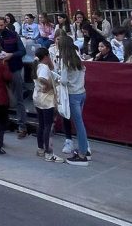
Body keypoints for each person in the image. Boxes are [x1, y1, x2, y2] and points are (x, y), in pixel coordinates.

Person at [0, 17, 27, 139]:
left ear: (5, 24)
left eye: (1, 25)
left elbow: (22, 51)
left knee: (19, 98)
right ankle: (5, 124)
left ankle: (22, 126)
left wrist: (11, 55)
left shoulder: (13, 34)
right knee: (2, 99)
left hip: (14, 68)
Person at [55, 36, 89, 166]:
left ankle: (82, 154)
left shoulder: (65, 60)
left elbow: (63, 80)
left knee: (79, 124)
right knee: (80, 123)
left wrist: (58, 79)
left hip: (72, 93)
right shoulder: (77, 57)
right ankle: (84, 149)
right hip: (81, 91)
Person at [32, 47, 63, 163]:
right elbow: (42, 78)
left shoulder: (37, 65)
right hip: (46, 100)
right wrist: (49, 85)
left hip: (37, 97)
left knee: (41, 124)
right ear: (46, 56)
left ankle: (40, 148)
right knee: (48, 126)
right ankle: (49, 153)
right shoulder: (44, 67)